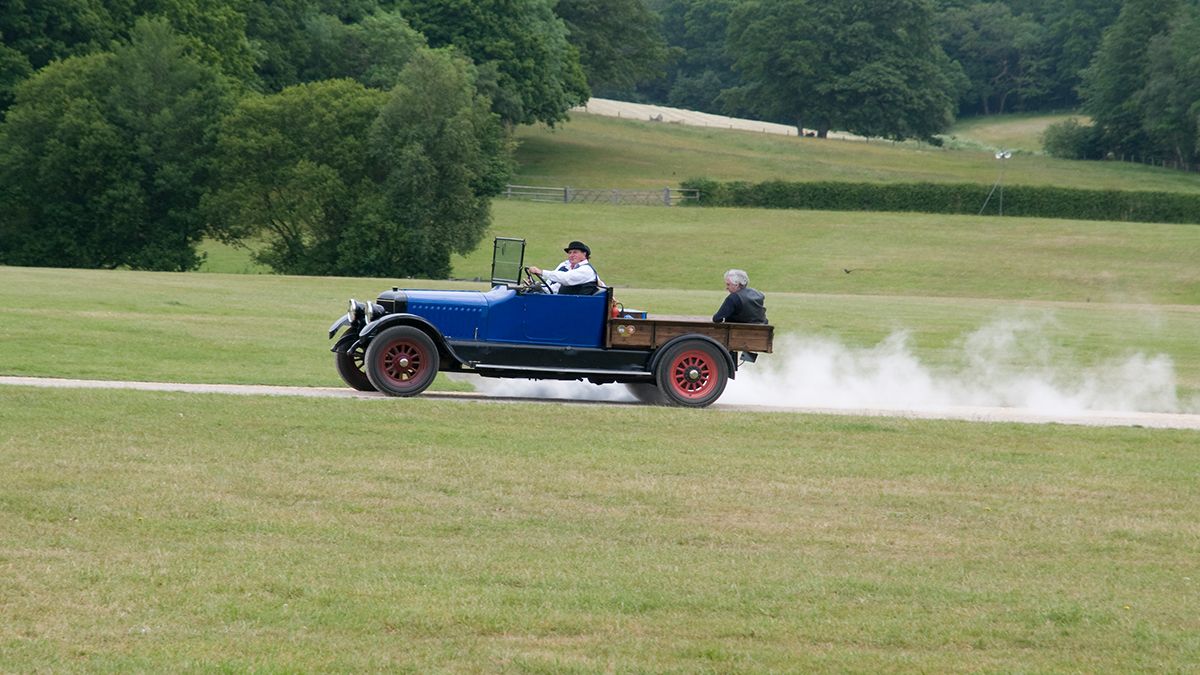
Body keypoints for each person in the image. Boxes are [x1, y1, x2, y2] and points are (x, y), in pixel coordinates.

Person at [528, 241, 604, 295]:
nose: (571, 255)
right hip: (565, 302)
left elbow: (566, 278)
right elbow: (556, 287)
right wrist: (539, 287)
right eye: (570, 253)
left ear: (584, 254)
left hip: (576, 306)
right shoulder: (571, 268)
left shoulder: (586, 270)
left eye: (575, 252)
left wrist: (541, 272)